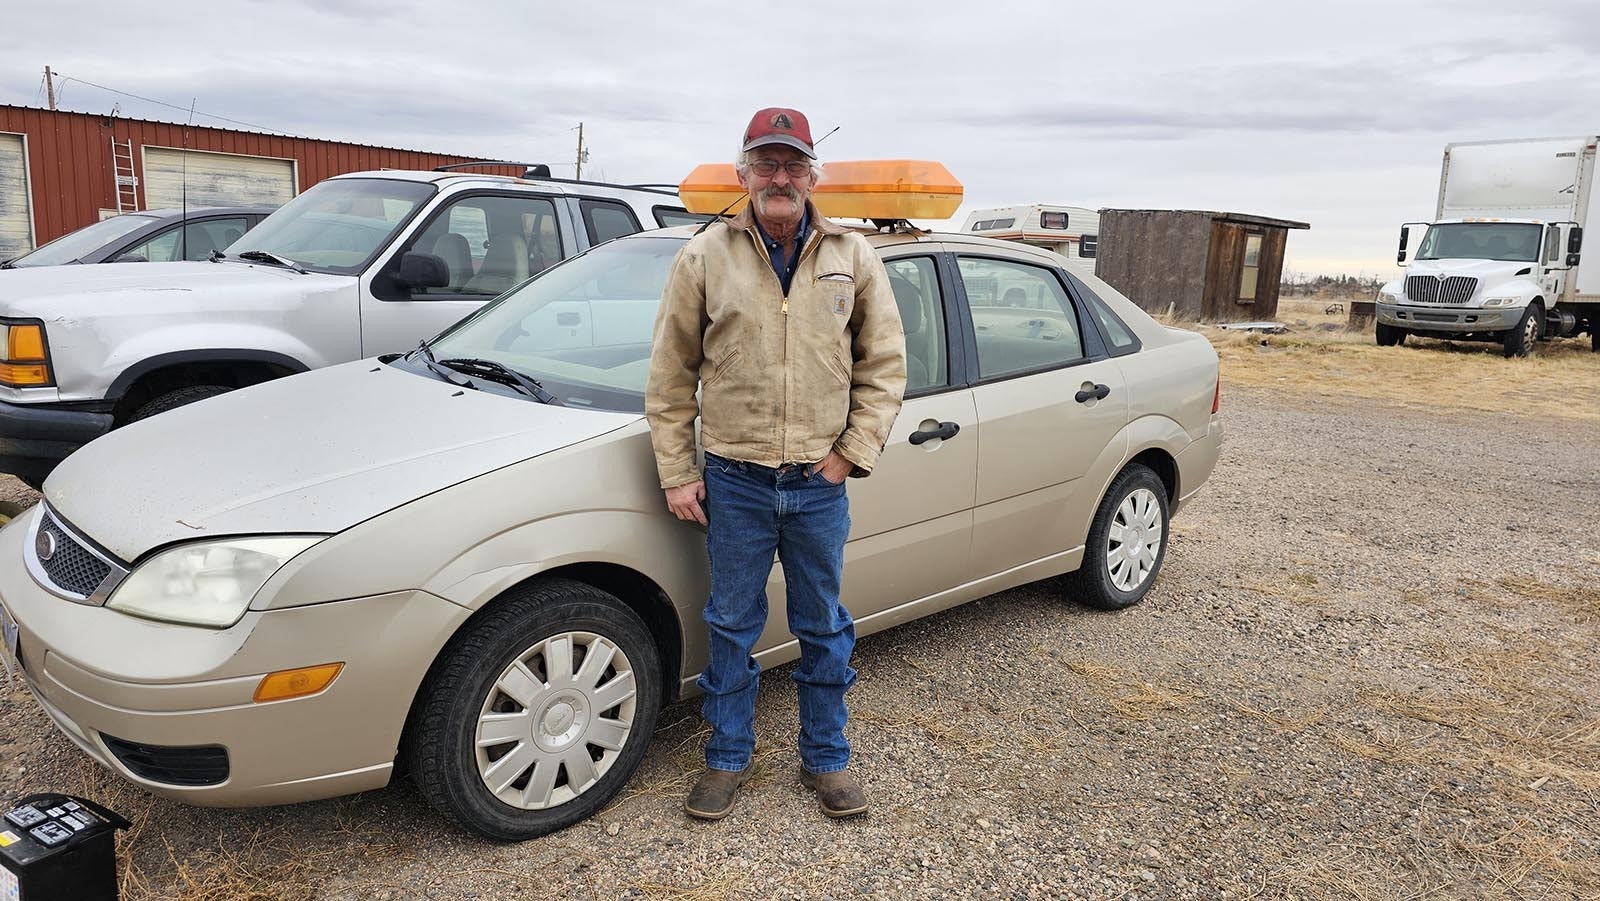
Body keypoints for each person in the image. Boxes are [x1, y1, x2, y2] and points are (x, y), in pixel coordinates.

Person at [645, 107, 907, 820]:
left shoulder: (853, 258)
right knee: (731, 622)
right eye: (766, 163)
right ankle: (727, 758)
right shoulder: (703, 257)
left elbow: (885, 365)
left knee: (823, 623)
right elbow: (670, 376)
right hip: (734, 479)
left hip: (817, 484)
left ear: (812, 175)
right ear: (743, 175)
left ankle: (827, 759)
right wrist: (677, 469)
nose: (779, 177)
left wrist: (850, 454)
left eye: (793, 164)